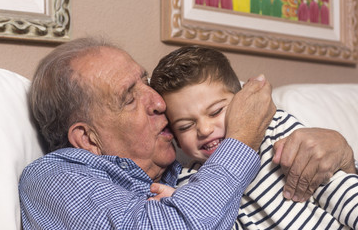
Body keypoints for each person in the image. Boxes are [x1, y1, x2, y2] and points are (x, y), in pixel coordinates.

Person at [19, 37, 355, 229]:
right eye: (129, 96)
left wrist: (343, 156)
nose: (158, 102)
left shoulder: (190, 154)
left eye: (145, 82)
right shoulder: (55, 177)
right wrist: (241, 140)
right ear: (88, 139)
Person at [149, 45, 358, 229]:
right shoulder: (190, 182)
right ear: (174, 137)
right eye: (185, 126)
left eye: (215, 112)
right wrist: (179, 202)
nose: (204, 129)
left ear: (242, 102)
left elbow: (337, 188)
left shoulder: (277, 131)